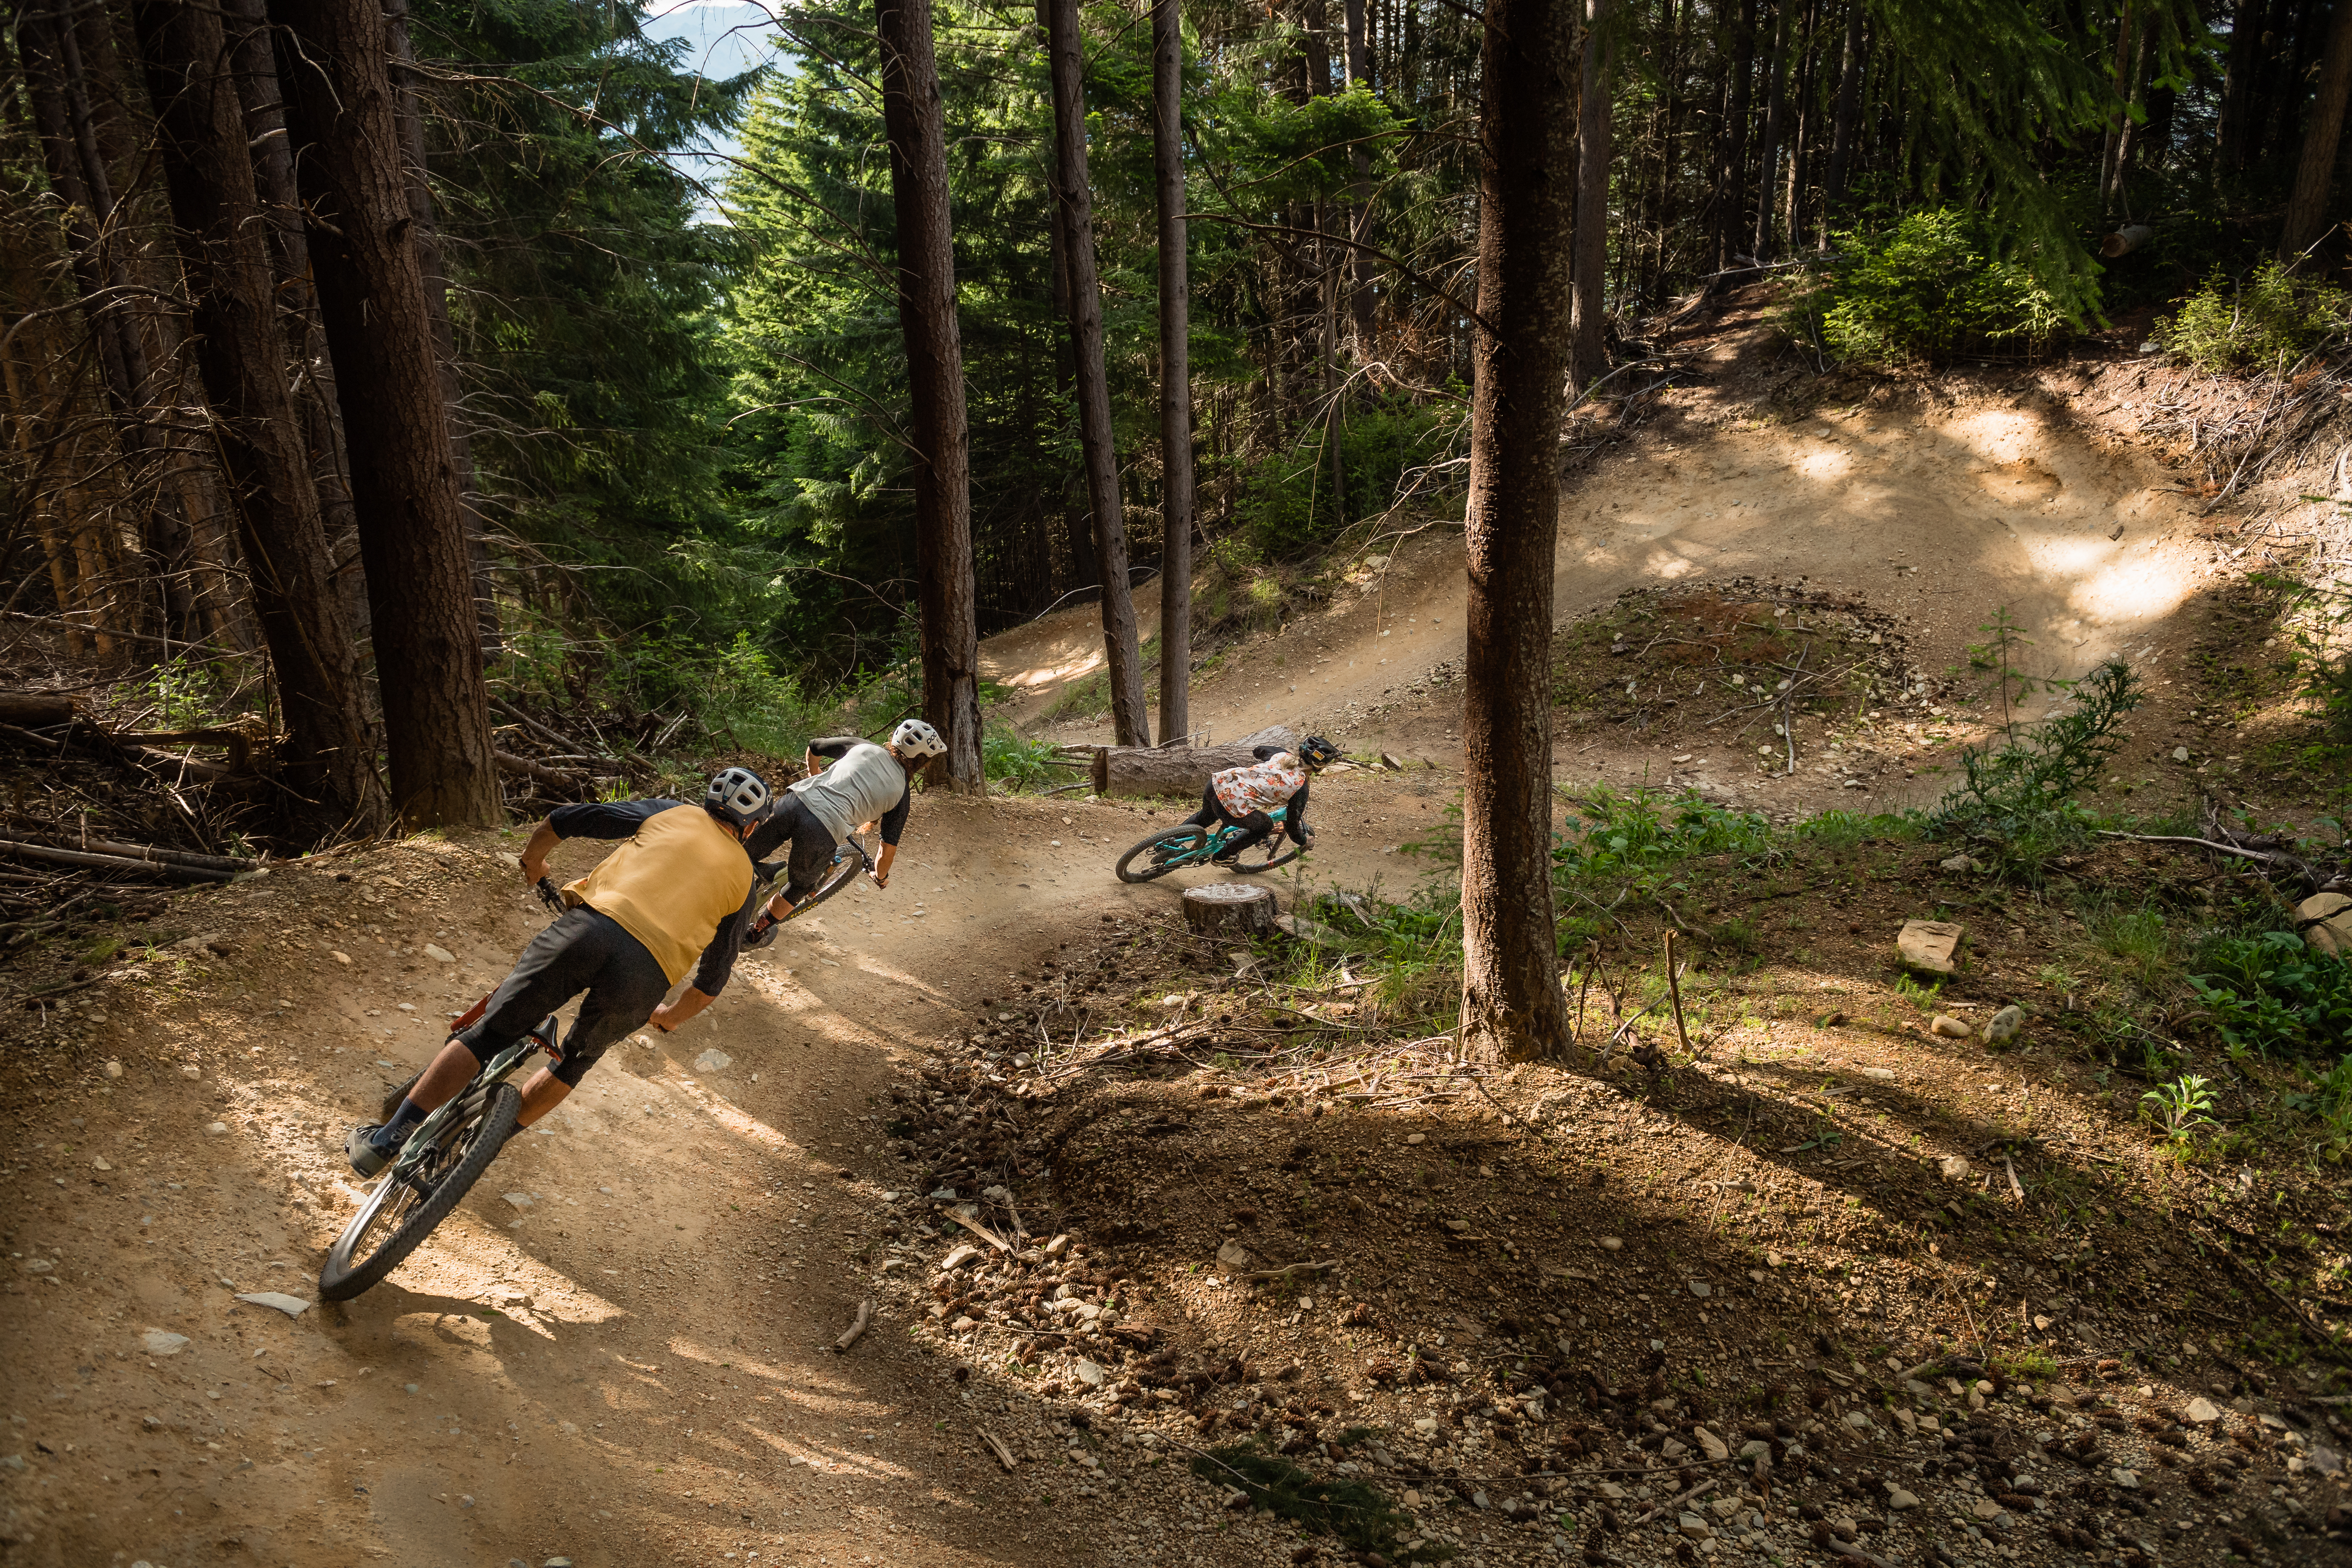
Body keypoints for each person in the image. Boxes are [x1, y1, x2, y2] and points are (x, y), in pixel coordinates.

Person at [344, 768, 774, 1176]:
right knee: (572, 1064)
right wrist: (669, 1017)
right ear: (751, 829)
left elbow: (570, 819)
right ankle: (472, 1155)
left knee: (490, 1033)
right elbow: (713, 979)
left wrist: (534, 860)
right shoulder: (746, 880)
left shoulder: (672, 812)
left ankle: (386, 1141)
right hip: (646, 975)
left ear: (707, 802)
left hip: (589, 930)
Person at [742, 719, 945, 947]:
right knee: (800, 886)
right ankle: (754, 933)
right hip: (823, 831)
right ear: (922, 763)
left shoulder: (862, 746)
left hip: (795, 802)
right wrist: (880, 876)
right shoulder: (901, 795)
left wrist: (814, 774)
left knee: (743, 853)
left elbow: (815, 746)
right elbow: (886, 850)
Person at [1181, 733, 1340, 863]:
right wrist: (1304, 841)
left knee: (1206, 817)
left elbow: (1259, 750)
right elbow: (1292, 827)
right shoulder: (1301, 789)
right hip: (1231, 803)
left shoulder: (1281, 754)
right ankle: (1223, 857)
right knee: (1265, 826)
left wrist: (1266, 770)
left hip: (1219, 782)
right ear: (1320, 767)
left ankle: (1169, 840)